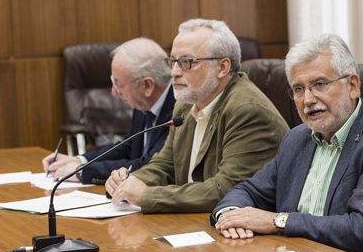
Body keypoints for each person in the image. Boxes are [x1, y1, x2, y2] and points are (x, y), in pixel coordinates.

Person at [210, 34, 363, 252]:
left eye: (319, 84)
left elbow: (361, 228)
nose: (307, 99)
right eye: (298, 89)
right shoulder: (298, 139)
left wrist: (278, 221)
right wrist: (231, 216)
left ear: (353, 86)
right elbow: (249, 190)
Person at [105, 19, 289, 213]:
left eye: (187, 62)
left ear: (222, 67)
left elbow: (227, 189)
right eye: (173, 61)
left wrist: (147, 196)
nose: (174, 72)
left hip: (243, 231)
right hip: (195, 221)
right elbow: (166, 164)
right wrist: (132, 182)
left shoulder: (247, 111)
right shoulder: (186, 104)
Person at [42, 37, 175, 185]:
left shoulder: (178, 110)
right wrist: (81, 160)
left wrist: (82, 171)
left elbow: (149, 166)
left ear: (147, 85)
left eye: (119, 84)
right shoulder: (144, 101)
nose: (113, 92)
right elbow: (128, 146)